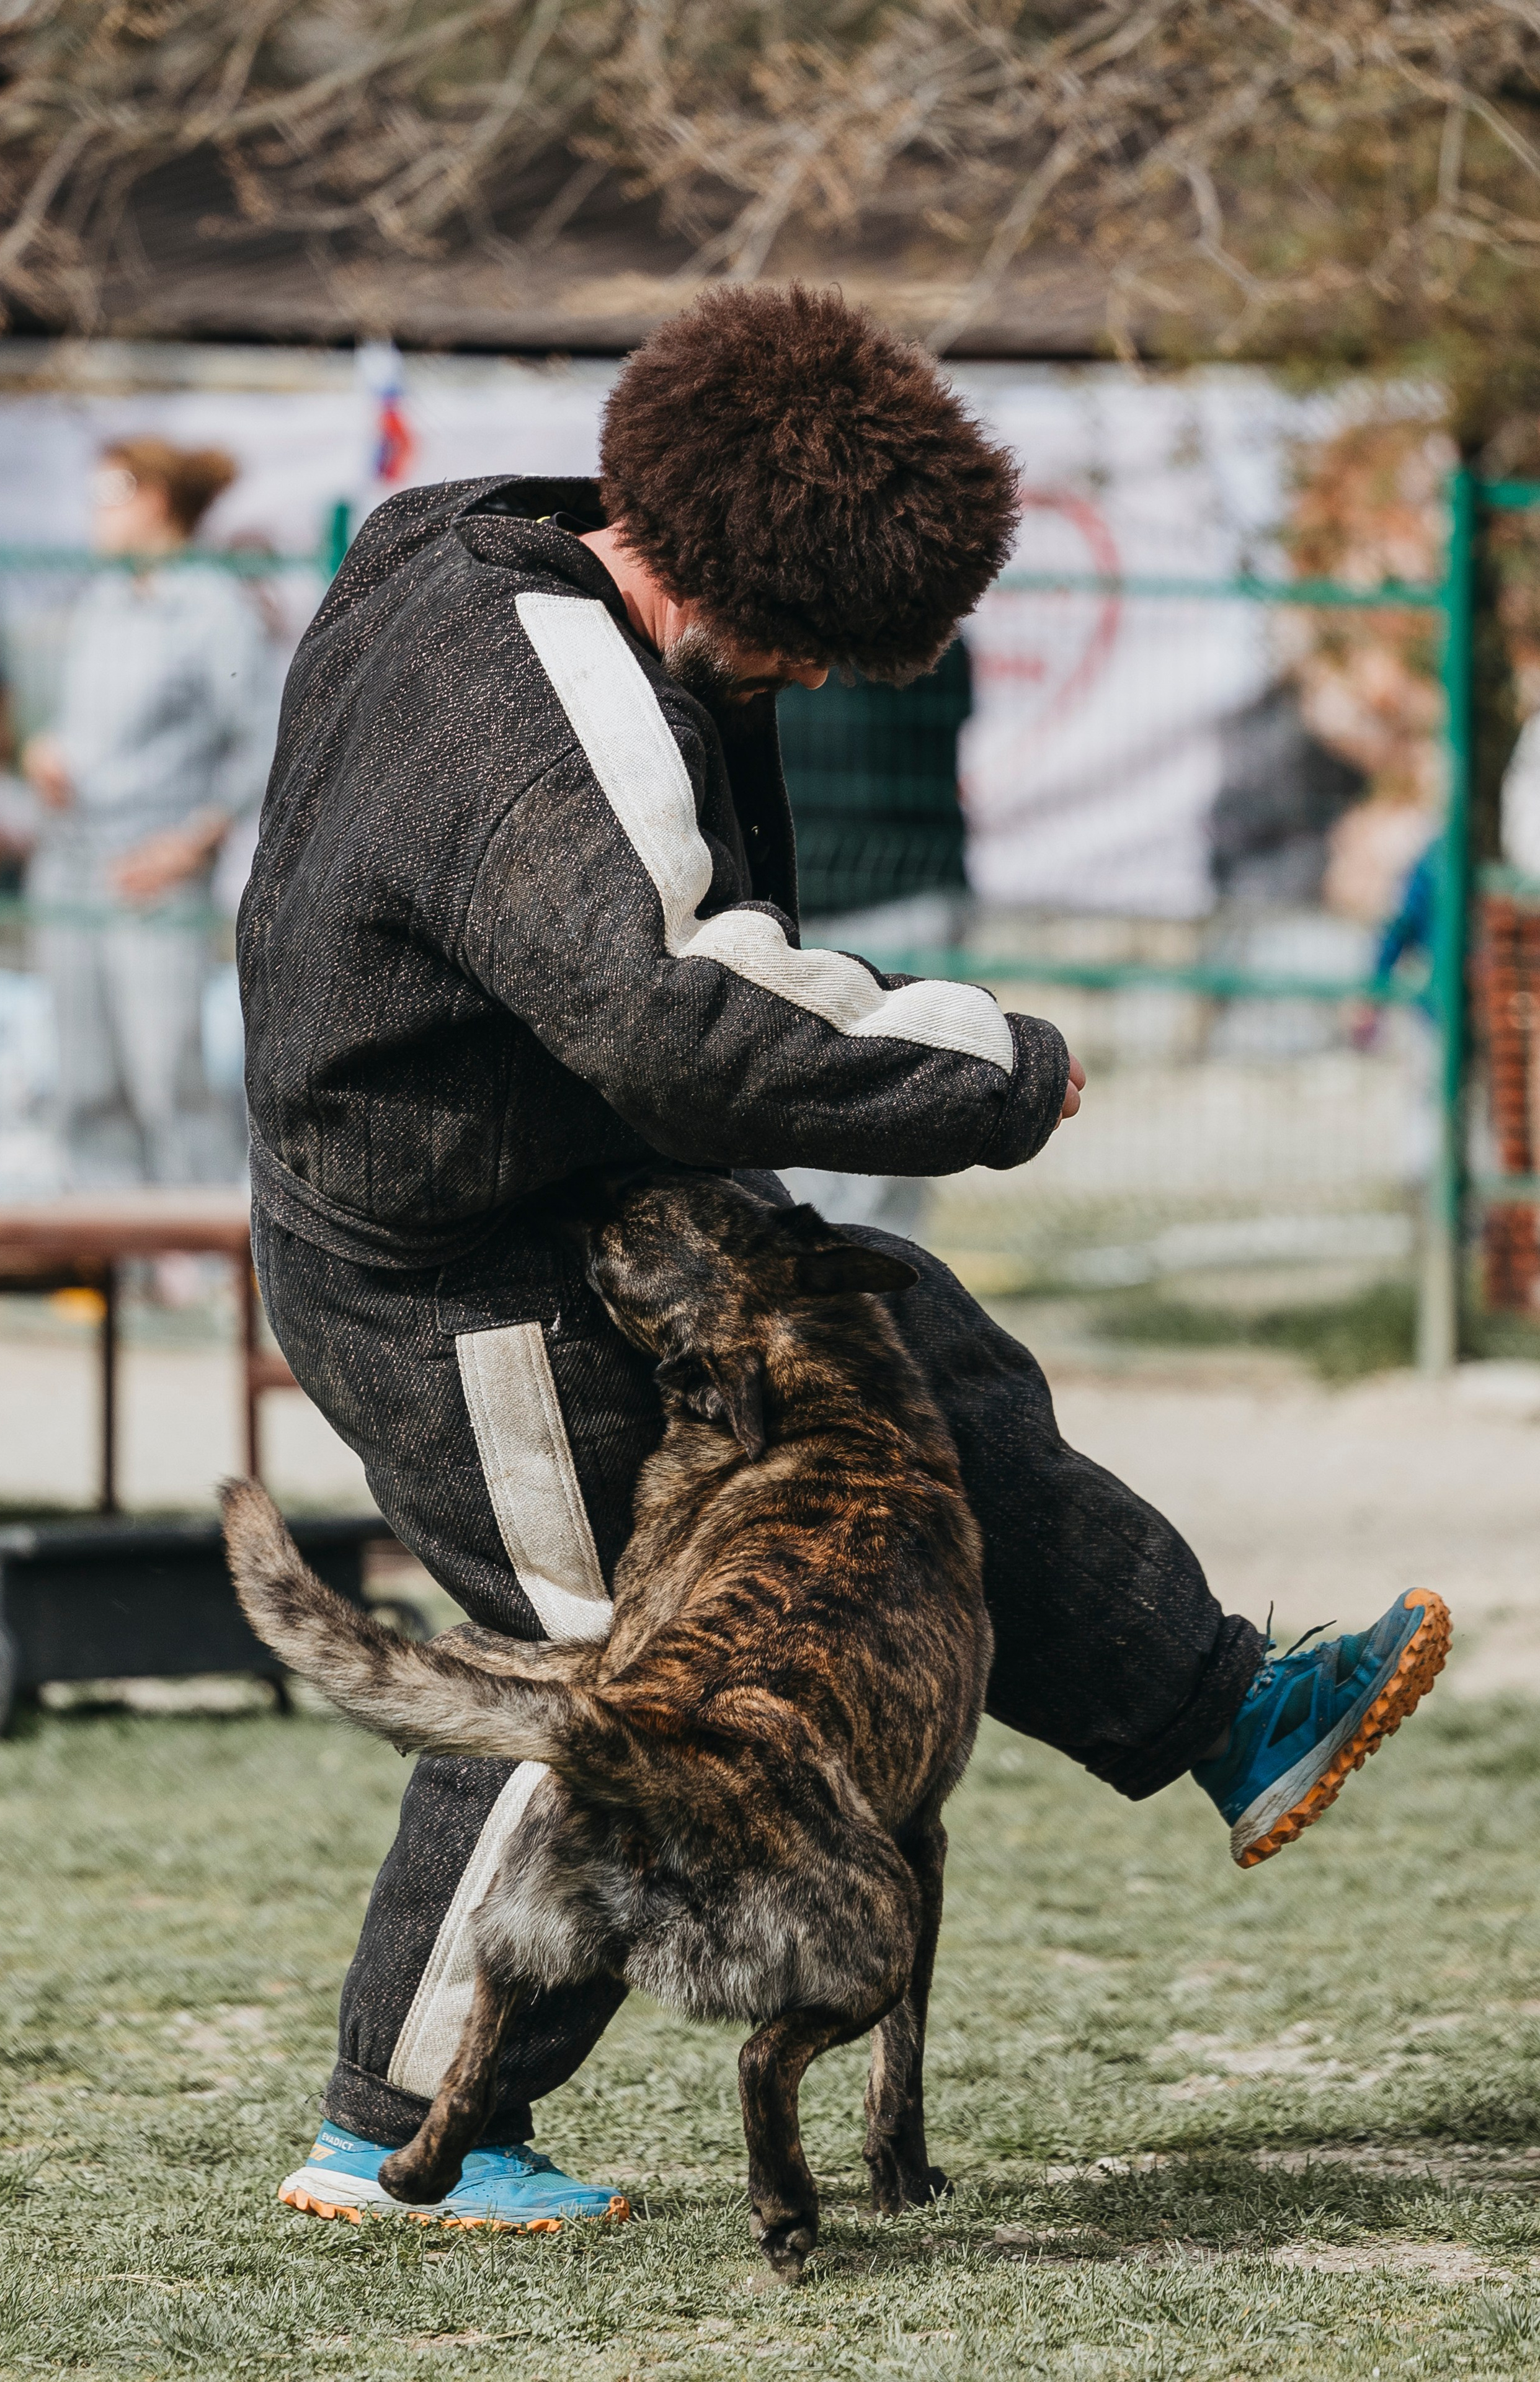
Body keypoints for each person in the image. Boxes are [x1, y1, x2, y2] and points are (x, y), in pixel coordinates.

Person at [237, 285, 1449, 2231]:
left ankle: (1218, 1707)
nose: (797, 682)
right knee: (596, 1670)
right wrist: (994, 1065)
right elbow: (676, 1022)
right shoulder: (533, 708)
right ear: (745, 582)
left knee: (924, 1383)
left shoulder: (499, 539)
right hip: (453, 1268)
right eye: (803, 652)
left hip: (594, 1183)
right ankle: (393, 2132)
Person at [23, 438, 274, 1187]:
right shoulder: (100, 598)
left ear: (156, 500)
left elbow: (263, 742)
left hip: (149, 874)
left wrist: (190, 843)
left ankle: (195, 1267)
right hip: (69, 863)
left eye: (109, 490)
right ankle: (109, 1263)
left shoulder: (212, 607)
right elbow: (78, 727)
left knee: (169, 1078)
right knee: (84, 1080)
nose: (93, 509)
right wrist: (48, 753)